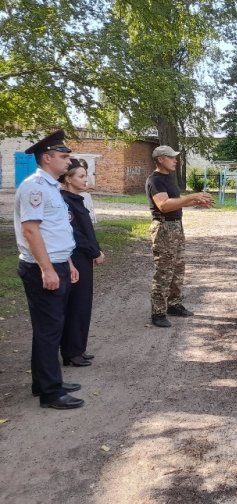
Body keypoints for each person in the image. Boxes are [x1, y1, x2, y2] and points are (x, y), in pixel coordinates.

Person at [14, 130, 84, 409]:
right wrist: (47, 269)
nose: (69, 161)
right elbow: (31, 232)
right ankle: (51, 393)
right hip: (43, 267)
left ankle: (44, 382)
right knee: (48, 330)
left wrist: (66, 262)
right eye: (64, 156)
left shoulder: (51, 186)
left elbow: (56, 231)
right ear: (47, 157)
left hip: (57, 263)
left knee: (51, 328)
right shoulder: (35, 187)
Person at [145, 145, 214, 328]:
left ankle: (173, 304)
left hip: (176, 226)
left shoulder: (169, 178)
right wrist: (192, 196)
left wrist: (194, 201)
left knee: (177, 268)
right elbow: (165, 205)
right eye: (171, 157)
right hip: (164, 228)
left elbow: (176, 202)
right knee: (164, 270)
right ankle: (158, 312)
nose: (175, 160)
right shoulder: (155, 180)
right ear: (160, 159)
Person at [60, 158, 105, 367]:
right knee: (76, 304)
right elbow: (76, 234)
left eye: (85, 176)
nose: (85, 180)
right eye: (80, 176)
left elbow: (88, 230)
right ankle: (71, 352)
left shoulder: (77, 199)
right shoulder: (65, 201)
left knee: (84, 303)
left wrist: (97, 249)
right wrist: (94, 252)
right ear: (68, 179)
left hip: (84, 257)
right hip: (76, 257)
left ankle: (79, 347)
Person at [76, 158, 97, 224]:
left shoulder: (87, 176)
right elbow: (76, 189)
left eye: (83, 166)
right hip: (79, 196)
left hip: (86, 197)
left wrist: (85, 188)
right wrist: (86, 188)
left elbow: (93, 187)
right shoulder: (75, 176)